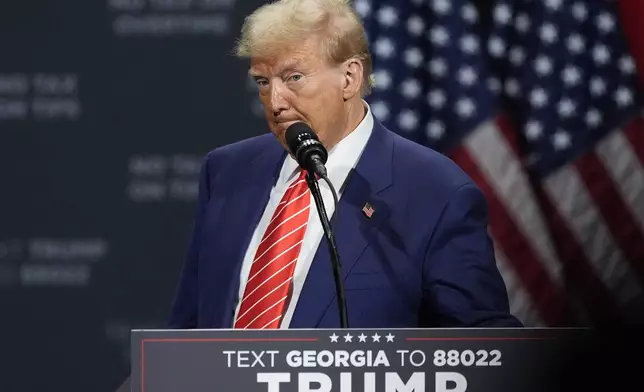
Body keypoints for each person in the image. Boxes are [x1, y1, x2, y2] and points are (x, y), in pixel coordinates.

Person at [167, 0, 522, 329]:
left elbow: (482, 351)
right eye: (263, 82)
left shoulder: (436, 192)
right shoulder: (228, 171)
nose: (275, 102)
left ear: (349, 78)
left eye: (293, 78)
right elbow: (186, 332)